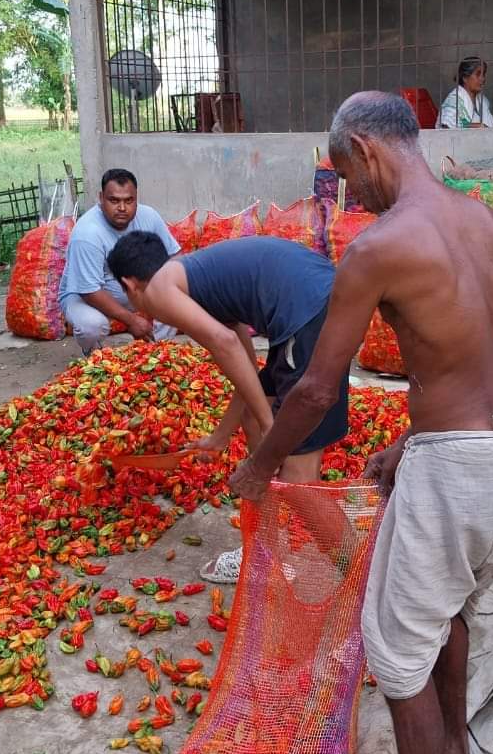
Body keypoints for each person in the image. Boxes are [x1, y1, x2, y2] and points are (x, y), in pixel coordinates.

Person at [229, 91, 493, 754]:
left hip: (465, 471)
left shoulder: (379, 246)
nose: (348, 196)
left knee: (396, 652)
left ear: (368, 150)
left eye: (345, 175)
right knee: (449, 606)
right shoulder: (479, 218)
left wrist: (260, 468)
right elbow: (489, 357)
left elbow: (312, 391)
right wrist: (414, 439)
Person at [106, 233, 350, 583]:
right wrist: (222, 436)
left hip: (307, 309)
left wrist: (272, 431)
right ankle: (264, 551)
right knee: (253, 413)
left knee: (300, 480)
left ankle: (360, 577)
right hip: (309, 302)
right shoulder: (200, 278)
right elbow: (245, 362)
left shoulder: (158, 289)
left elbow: (224, 344)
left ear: (129, 285)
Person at [59, 169, 179, 356]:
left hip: (134, 293)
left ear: (136, 198)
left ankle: (157, 354)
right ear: (101, 198)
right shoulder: (87, 234)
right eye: (114, 200)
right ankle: (93, 353)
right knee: (92, 326)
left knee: (176, 295)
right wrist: (132, 320)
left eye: (128, 201)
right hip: (84, 296)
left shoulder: (149, 216)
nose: (122, 208)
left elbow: (174, 257)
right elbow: (90, 291)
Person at [436, 56, 493, 129]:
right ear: (465, 78)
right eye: (478, 74)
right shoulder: (454, 99)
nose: (482, 79)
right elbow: (446, 125)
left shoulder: (482, 100)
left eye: (483, 74)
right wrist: (475, 126)